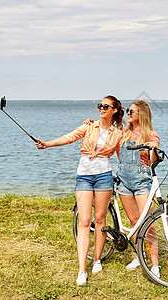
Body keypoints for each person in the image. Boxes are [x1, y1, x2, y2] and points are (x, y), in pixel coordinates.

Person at [36, 95, 124, 286]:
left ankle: (97, 260)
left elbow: (123, 156)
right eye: (100, 105)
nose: (101, 108)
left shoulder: (118, 134)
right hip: (83, 177)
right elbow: (69, 137)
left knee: (101, 219)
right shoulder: (88, 126)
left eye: (106, 106)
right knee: (85, 221)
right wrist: (47, 144)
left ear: (114, 110)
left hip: (104, 177)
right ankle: (82, 270)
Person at [116, 100, 160, 277]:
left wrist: (153, 148)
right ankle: (139, 256)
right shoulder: (124, 132)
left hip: (142, 181)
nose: (128, 113)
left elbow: (153, 160)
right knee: (134, 222)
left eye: (131, 111)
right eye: (127, 111)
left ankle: (155, 264)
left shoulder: (150, 134)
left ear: (141, 114)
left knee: (148, 223)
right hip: (124, 181)